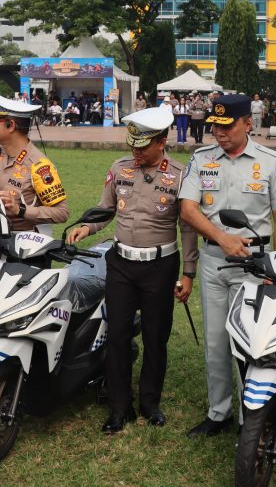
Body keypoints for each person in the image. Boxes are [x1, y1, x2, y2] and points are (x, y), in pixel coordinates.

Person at [67, 107, 198, 432]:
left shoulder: (181, 175)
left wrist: (188, 272)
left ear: (163, 141)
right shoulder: (119, 168)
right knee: (117, 335)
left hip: (160, 266)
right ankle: (118, 407)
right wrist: (87, 227)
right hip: (122, 265)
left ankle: (150, 403)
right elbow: (106, 209)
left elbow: (188, 227)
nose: (135, 152)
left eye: (142, 146)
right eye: (132, 145)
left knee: (155, 337)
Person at [177, 94, 276, 437]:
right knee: (216, 342)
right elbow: (188, 209)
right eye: (215, 126)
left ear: (248, 123)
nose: (219, 132)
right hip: (215, 260)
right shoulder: (201, 159)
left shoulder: (271, 162)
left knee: (251, 343)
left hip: (256, 266)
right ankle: (219, 412)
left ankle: (251, 417)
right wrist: (222, 238)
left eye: (227, 126)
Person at [0, 92, 68, 266]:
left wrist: (21, 210)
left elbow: (62, 213)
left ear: (10, 125)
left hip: (27, 252)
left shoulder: (39, 166)